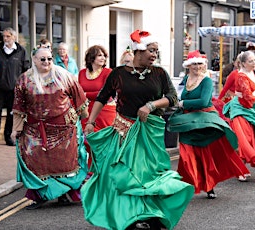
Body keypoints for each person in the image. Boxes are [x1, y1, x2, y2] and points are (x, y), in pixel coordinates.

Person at [80, 30, 194, 230]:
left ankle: (153, 215)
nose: (154, 55)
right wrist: (90, 122)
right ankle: (131, 216)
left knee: (151, 174)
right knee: (128, 174)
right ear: (138, 51)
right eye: (151, 50)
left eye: (156, 52)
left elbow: (173, 98)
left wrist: (151, 105)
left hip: (151, 132)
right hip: (125, 131)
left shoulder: (159, 73)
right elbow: (102, 97)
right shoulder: (119, 74)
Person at [11, 45, 89, 210]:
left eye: (49, 58)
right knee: (35, 162)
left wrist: (86, 121)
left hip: (64, 129)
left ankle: (64, 195)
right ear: (34, 60)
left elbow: (79, 97)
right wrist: (15, 129)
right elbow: (19, 107)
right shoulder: (24, 79)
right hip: (34, 130)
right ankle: (41, 196)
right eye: (42, 59)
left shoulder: (64, 75)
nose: (46, 62)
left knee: (65, 163)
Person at [167, 50, 249, 198]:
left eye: (199, 63)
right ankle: (186, 186)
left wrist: (184, 103)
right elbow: (177, 97)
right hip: (187, 122)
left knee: (205, 156)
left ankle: (209, 185)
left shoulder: (206, 81)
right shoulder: (185, 80)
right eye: (194, 64)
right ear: (188, 66)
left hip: (204, 122)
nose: (197, 67)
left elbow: (204, 102)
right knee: (186, 156)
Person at [0, 28, 29, 147]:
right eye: (4, 36)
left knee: (11, 113)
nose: (5, 39)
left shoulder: (21, 51)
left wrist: (22, 85)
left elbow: (25, 70)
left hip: (14, 88)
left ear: (14, 37)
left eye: (8, 36)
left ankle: (9, 137)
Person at [78, 45, 115, 166]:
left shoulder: (108, 72)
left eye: (104, 55)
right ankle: (91, 169)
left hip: (104, 112)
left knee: (103, 143)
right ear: (91, 57)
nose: (103, 58)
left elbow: (106, 94)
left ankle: (104, 169)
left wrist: (85, 94)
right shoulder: (82, 73)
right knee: (88, 142)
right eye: (100, 55)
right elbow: (78, 92)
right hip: (86, 112)